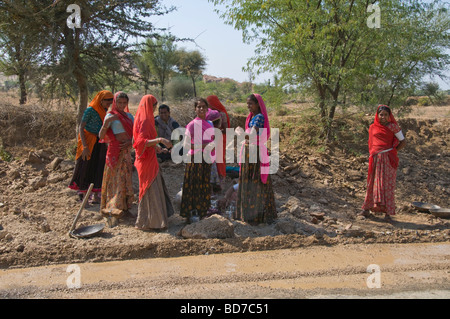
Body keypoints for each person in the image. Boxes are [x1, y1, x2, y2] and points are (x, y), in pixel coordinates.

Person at [133, 95, 174, 231]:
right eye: (154, 106)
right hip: (146, 162)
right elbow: (139, 143)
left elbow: (146, 141)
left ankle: (154, 219)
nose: (155, 109)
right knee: (150, 188)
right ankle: (151, 222)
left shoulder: (145, 118)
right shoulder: (145, 120)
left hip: (149, 158)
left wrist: (156, 148)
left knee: (153, 186)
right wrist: (160, 140)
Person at [235, 94, 277, 224]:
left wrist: (240, 133)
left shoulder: (259, 117)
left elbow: (251, 135)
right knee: (251, 180)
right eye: (247, 104)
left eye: (251, 104)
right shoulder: (252, 117)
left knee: (254, 181)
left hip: (254, 153)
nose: (248, 106)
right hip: (250, 151)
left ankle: (255, 216)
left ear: (258, 104)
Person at [360, 105, 406, 222]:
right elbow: (372, 143)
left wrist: (392, 151)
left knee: (387, 185)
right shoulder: (372, 127)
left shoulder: (393, 127)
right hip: (375, 159)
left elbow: (403, 142)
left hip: (388, 160)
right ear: (377, 115)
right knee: (372, 184)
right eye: (381, 115)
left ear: (389, 116)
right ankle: (367, 208)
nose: (383, 117)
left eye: (386, 115)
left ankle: (388, 213)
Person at [69, 90, 113, 203]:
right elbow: (81, 127)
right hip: (88, 140)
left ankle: (96, 193)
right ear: (101, 100)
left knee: (98, 165)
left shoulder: (105, 111)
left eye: (111, 100)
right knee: (85, 165)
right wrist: (84, 146)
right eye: (107, 100)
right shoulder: (90, 110)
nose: (109, 102)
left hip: (99, 141)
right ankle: (82, 193)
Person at [98, 92, 134, 226]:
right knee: (115, 180)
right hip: (115, 153)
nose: (122, 106)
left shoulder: (129, 116)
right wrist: (106, 123)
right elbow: (101, 136)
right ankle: (113, 207)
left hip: (126, 152)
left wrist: (130, 142)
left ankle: (125, 207)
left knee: (125, 179)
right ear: (114, 102)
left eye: (125, 103)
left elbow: (136, 135)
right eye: (119, 103)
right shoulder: (110, 116)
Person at [180, 98, 215, 221]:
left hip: (206, 159)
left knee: (204, 184)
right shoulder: (192, 125)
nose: (201, 109)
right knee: (194, 185)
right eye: (198, 107)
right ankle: (191, 214)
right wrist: (204, 146)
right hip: (195, 159)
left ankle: (203, 211)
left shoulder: (209, 124)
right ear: (195, 109)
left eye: (203, 106)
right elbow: (186, 145)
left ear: (207, 109)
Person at [206, 95, 230, 180]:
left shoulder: (222, 114)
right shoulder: (208, 113)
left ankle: (221, 176)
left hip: (220, 138)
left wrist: (217, 131)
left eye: (209, 103)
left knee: (220, 158)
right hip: (210, 139)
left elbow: (227, 129)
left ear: (213, 103)